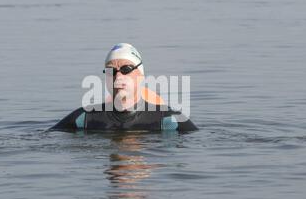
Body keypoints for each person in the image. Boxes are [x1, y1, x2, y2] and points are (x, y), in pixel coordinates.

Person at [49, 43, 198, 132]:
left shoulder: (167, 119)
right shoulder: (85, 118)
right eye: (111, 71)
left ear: (141, 75)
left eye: (126, 69)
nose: (118, 77)